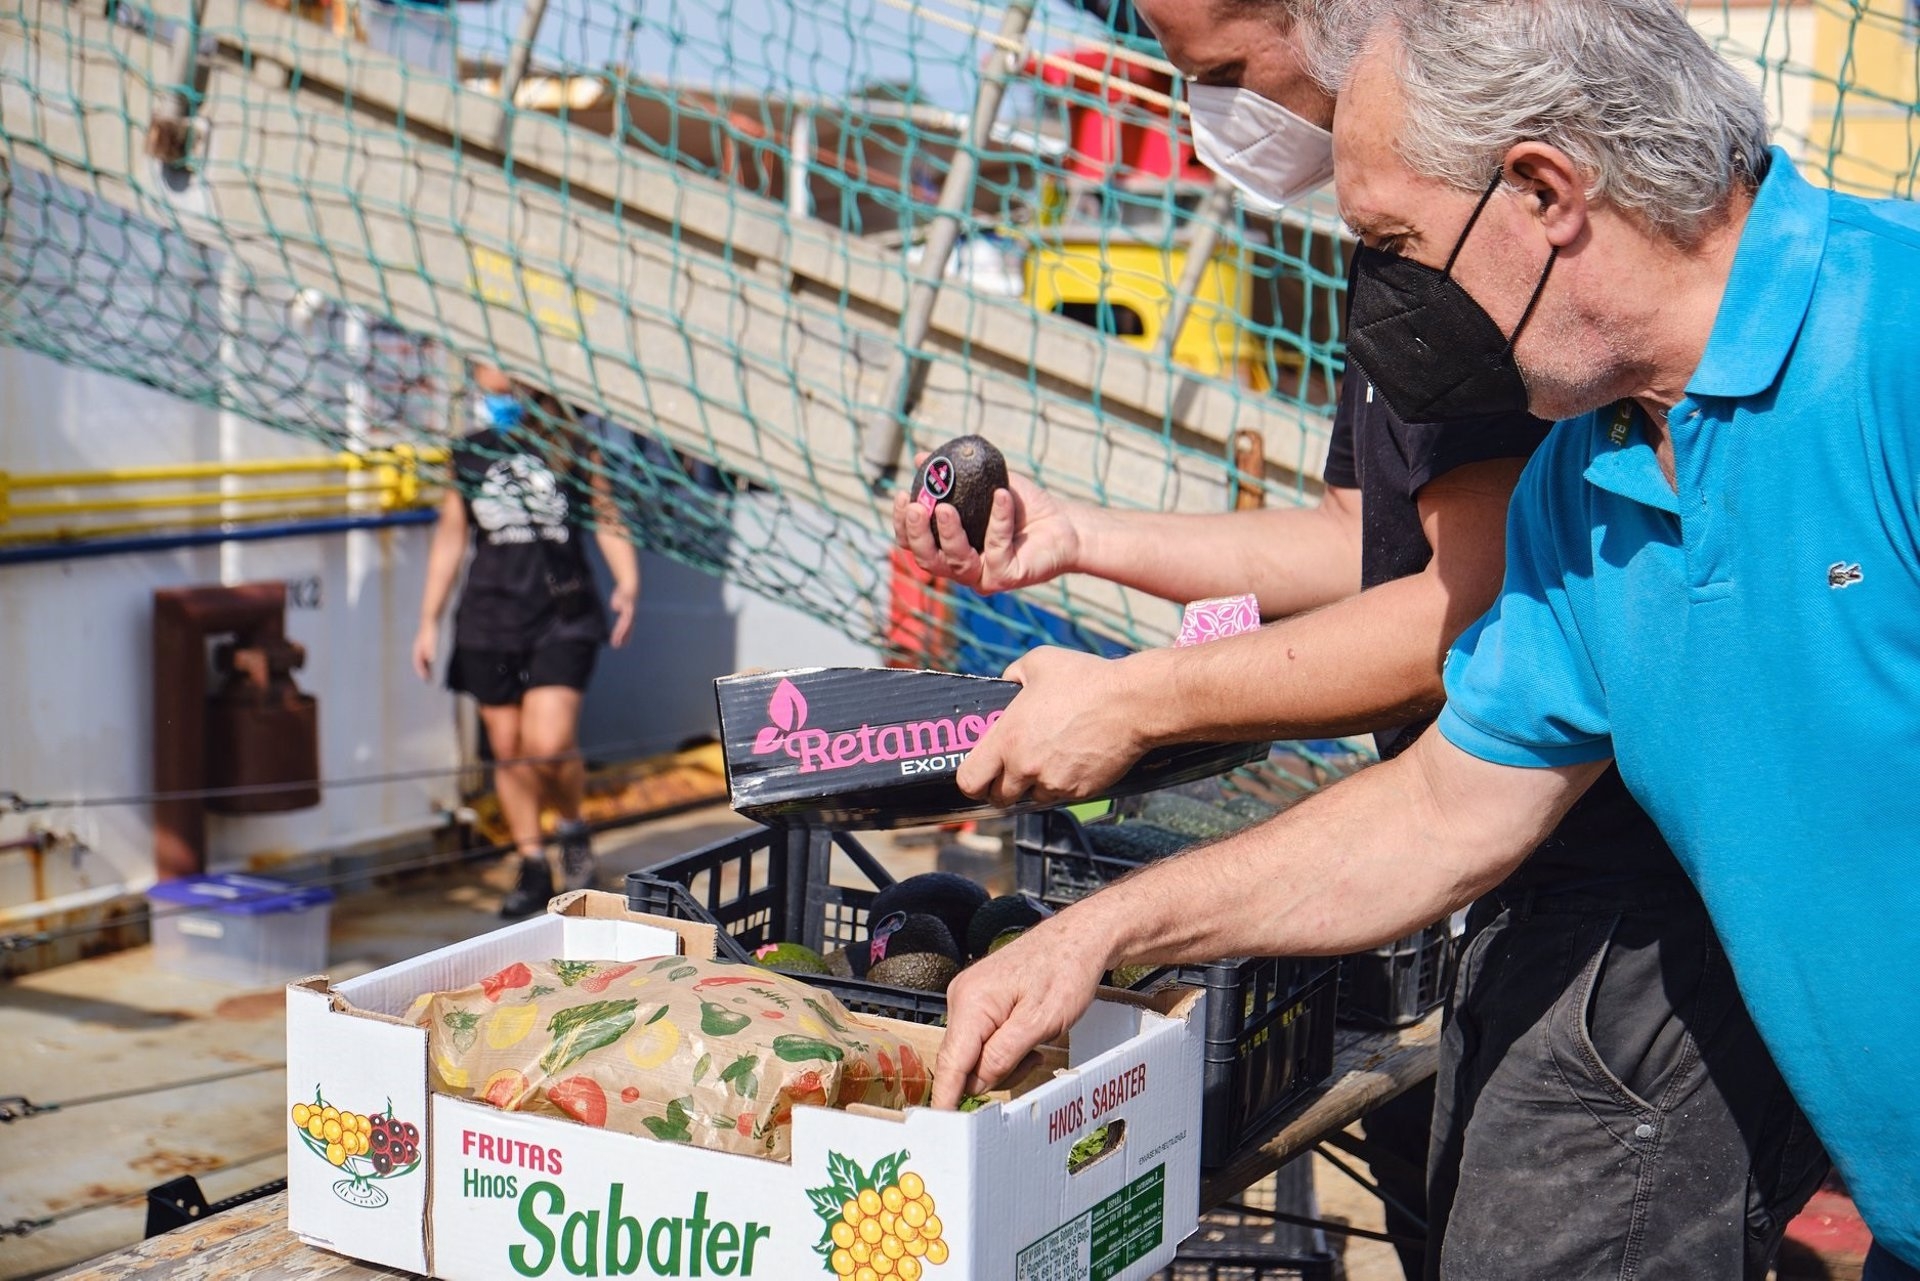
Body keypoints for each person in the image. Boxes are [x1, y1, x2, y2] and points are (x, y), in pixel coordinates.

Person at [931, 0, 1920, 1276]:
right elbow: (1443, 812)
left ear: (1544, 191)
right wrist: (1100, 933)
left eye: (1396, 246)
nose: (1387, 303)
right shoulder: (1586, 481)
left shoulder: (1890, 343)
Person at [414, 365, 639, 917]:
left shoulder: (568, 444)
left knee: (548, 740)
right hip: (489, 615)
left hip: (562, 612)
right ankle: (532, 860)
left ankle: (571, 827)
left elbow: (606, 515)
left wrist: (628, 582)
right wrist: (428, 619)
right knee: (509, 746)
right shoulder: (468, 453)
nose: (494, 376)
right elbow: (451, 539)